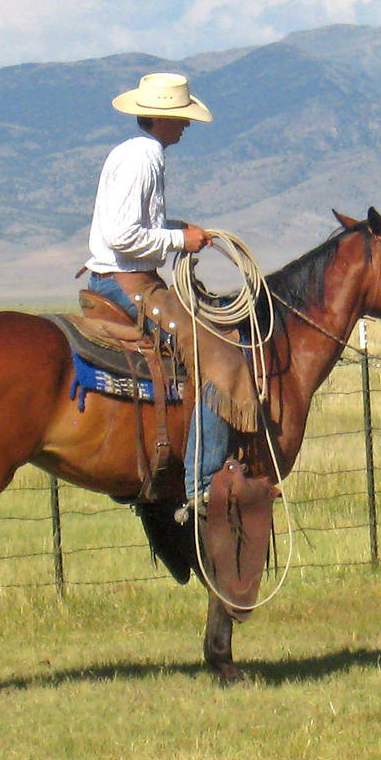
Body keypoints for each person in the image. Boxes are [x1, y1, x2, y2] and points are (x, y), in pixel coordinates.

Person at [84, 72, 251, 505]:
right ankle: (201, 482)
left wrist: (180, 229)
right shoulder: (144, 159)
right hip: (129, 283)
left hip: (127, 276)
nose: (187, 125)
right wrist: (180, 240)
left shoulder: (136, 152)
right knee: (219, 352)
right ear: (162, 118)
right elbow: (123, 237)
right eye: (182, 117)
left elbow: (137, 228)